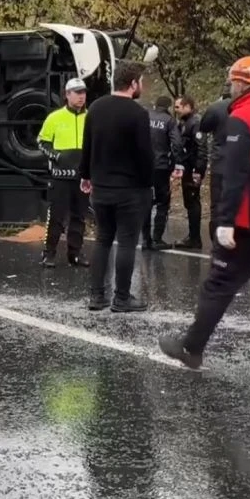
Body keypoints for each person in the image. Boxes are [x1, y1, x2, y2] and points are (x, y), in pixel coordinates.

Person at [159, 56, 250, 388]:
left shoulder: (242, 120)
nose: (231, 87)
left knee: (218, 287)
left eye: (232, 82)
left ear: (242, 83)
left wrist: (225, 220)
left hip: (245, 222)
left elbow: (234, 175)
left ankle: (191, 348)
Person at [79, 61, 153, 312]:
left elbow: (86, 145)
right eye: (140, 81)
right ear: (132, 84)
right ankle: (121, 298)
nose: (142, 85)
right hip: (130, 189)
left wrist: (85, 175)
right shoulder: (138, 113)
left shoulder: (95, 108)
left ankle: (96, 296)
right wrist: (149, 183)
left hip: (101, 187)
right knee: (127, 241)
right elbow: (145, 155)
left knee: (102, 239)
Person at [37, 77, 90, 268]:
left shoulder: (90, 117)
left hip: (83, 177)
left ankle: (75, 253)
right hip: (60, 176)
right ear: (67, 95)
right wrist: (57, 157)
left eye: (83, 92)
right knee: (57, 216)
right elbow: (42, 142)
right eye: (77, 93)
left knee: (79, 216)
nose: (81, 97)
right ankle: (49, 253)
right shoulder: (55, 117)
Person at [143, 95, 184, 251]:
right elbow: (177, 143)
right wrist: (178, 162)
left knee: (146, 201)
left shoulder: (146, 116)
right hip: (161, 166)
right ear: (168, 106)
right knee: (162, 202)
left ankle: (146, 240)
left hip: (144, 166)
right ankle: (157, 238)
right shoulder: (169, 121)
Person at [173, 96, 207, 249]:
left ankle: (195, 238)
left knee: (193, 202)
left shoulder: (196, 122)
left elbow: (201, 148)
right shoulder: (185, 123)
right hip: (187, 167)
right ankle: (192, 236)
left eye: (178, 107)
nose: (176, 110)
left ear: (188, 106)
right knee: (189, 201)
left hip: (193, 169)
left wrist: (198, 170)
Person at [198, 93, 232, 244]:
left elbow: (203, 126)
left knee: (217, 205)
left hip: (220, 162)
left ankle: (217, 241)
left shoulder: (217, 107)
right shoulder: (248, 107)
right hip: (242, 162)